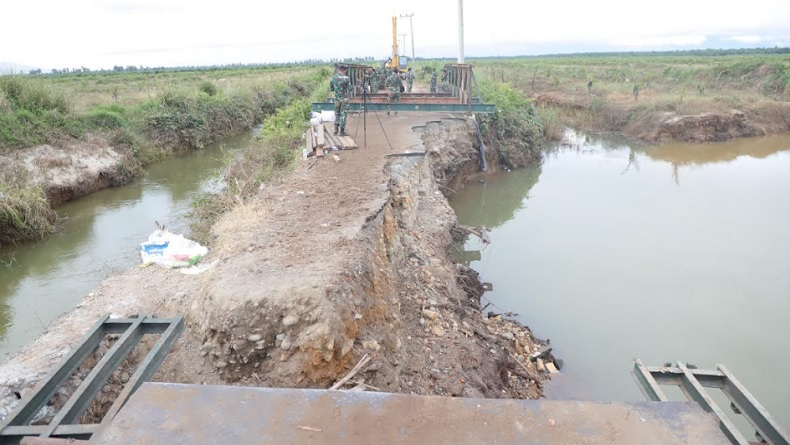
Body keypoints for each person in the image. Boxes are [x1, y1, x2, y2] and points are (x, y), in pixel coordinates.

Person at [330, 64, 351, 135]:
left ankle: (335, 130)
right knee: (343, 114)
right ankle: (341, 131)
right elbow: (350, 88)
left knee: (337, 113)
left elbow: (332, 89)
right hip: (344, 98)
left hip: (336, 99)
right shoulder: (346, 78)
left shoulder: (333, 78)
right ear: (344, 70)